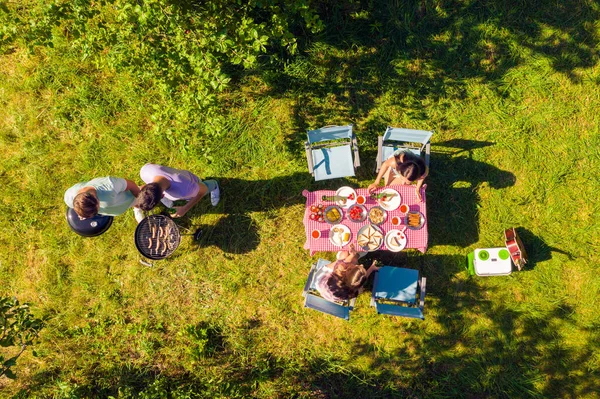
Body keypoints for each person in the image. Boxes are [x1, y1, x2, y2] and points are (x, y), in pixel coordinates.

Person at [135, 163, 220, 221]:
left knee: (206, 187)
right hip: (182, 176)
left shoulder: (184, 190)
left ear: (162, 196)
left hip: (194, 182)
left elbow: (203, 190)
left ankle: (214, 185)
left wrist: (184, 209)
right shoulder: (145, 171)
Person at [315, 244, 379, 302]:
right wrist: (371, 268)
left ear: (347, 271)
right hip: (332, 293)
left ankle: (345, 256)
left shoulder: (337, 271)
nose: (361, 265)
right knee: (353, 259)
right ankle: (357, 255)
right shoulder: (351, 291)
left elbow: (342, 263)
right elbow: (361, 279)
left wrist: (352, 255)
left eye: (357, 266)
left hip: (321, 281)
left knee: (345, 255)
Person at [64, 176, 140, 218]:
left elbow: (131, 185)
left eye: (98, 207)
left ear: (95, 197)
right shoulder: (70, 197)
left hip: (126, 197)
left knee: (138, 198)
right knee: (133, 204)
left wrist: (140, 198)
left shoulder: (110, 185)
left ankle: (138, 205)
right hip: (117, 207)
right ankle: (137, 207)